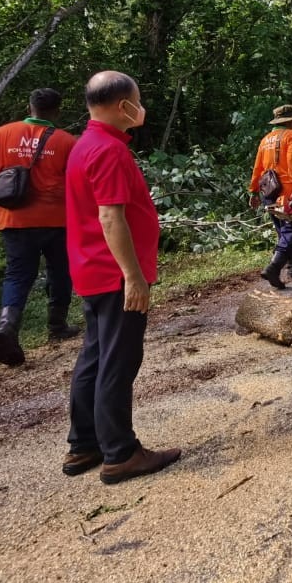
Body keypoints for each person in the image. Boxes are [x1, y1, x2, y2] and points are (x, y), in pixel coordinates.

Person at [63, 70, 180, 484]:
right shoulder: (108, 151)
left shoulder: (85, 145)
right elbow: (111, 217)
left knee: (94, 358)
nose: (141, 106)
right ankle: (121, 452)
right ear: (121, 106)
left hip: (91, 269)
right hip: (114, 275)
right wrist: (133, 276)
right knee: (118, 360)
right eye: (138, 99)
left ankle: (85, 445)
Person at [0, 88, 79, 366]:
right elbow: (80, 180)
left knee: (17, 275)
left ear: (29, 108)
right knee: (61, 270)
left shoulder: (2, 134)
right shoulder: (66, 141)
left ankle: (7, 326)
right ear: (57, 111)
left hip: (14, 219)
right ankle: (57, 326)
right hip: (57, 219)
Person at [248, 104, 292, 289]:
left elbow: (258, 167)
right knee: (291, 231)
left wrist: (253, 191)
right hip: (287, 192)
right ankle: (274, 267)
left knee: (282, 230)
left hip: (268, 191)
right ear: (290, 120)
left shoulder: (265, 139)